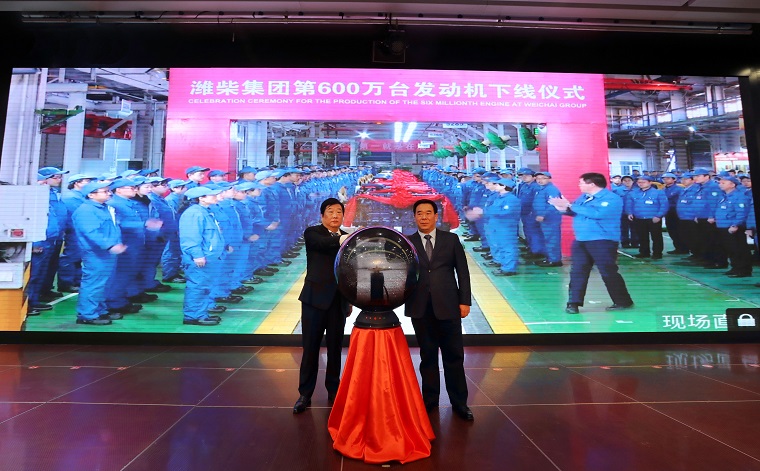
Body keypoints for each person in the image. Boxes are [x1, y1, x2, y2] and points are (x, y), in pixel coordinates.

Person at [405, 199, 473, 421]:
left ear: (436, 216)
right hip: (420, 308)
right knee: (428, 357)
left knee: (454, 356)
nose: (424, 217)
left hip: (449, 306)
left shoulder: (451, 240)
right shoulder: (408, 242)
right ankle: (430, 401)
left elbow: (462, 273)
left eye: (428, 213)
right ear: (414, 217)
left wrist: (464, 301)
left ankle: (460, 403)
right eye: (419, 213)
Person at [293, 198, 351, 414]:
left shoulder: (347, 237)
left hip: (338, 301)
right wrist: (342, 239)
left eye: (339, 212)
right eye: (330, 211)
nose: (335, 215)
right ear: (322, 215)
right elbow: (322, 244)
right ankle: (304, 394)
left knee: (335, 349)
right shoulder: (313, 233)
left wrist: (349, 300)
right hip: (314, 301)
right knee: (311, 348)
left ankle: (334, 391)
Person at [548, 173, 634, 314]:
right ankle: (573, 303)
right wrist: (563, 209)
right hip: (581, 239)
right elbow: (575, 211)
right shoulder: (584, 197)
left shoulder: (611, 199)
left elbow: (597, 213)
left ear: (592, 184)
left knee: (608, 271)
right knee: (577, 271)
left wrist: (570, 205)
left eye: (581, 183)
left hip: (602, 240)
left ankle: (622, 301)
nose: (579, 185)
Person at [71, 181, 127, 325]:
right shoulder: (86, 211)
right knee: (94, 283)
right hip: (96, 254)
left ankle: (100, 310)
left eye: (109, 191)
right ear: (91, 195)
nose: (109, 194)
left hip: (106, 253)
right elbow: (91, 233)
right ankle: (87, 314)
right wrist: (109, 245)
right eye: (105, 191)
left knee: (103, 283)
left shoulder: (103, 208)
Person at [178, 186, 226, 326]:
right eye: (211, 195)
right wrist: (197, 255)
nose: (215, 197)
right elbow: (190, 237)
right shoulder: (194, 214)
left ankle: (201, 313)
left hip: (209, 257)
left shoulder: (205, 211)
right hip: (200, 258)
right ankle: (193, 316)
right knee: (198, 286)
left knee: (204, 286)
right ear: (201, 198)